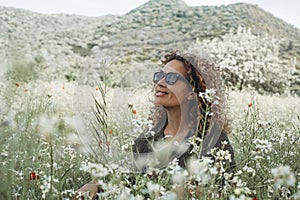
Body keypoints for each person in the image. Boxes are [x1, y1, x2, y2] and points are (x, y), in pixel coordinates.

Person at [74, 51, 235, 199]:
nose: (160, 83)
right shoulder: (145, 141)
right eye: (159, 76)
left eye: (172, 78)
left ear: (192, 92)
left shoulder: (213, 140)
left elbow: (221, 192)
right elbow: (134, 185)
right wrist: (98, 187)